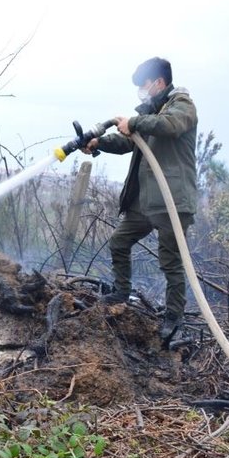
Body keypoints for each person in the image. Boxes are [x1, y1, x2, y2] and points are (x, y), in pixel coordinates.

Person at [81, 57, 198, 342]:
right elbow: (128, 143)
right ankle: (121, 292)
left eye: (144, 86)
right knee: (119, 242)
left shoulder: (182, 106)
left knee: (170, 262)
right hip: (145, 202)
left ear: (159, 82)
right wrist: (99, 143)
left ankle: (174, 322)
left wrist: (133, 121)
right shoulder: (151, 113)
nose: (141, 93)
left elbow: (169, 126)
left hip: (172, 201)